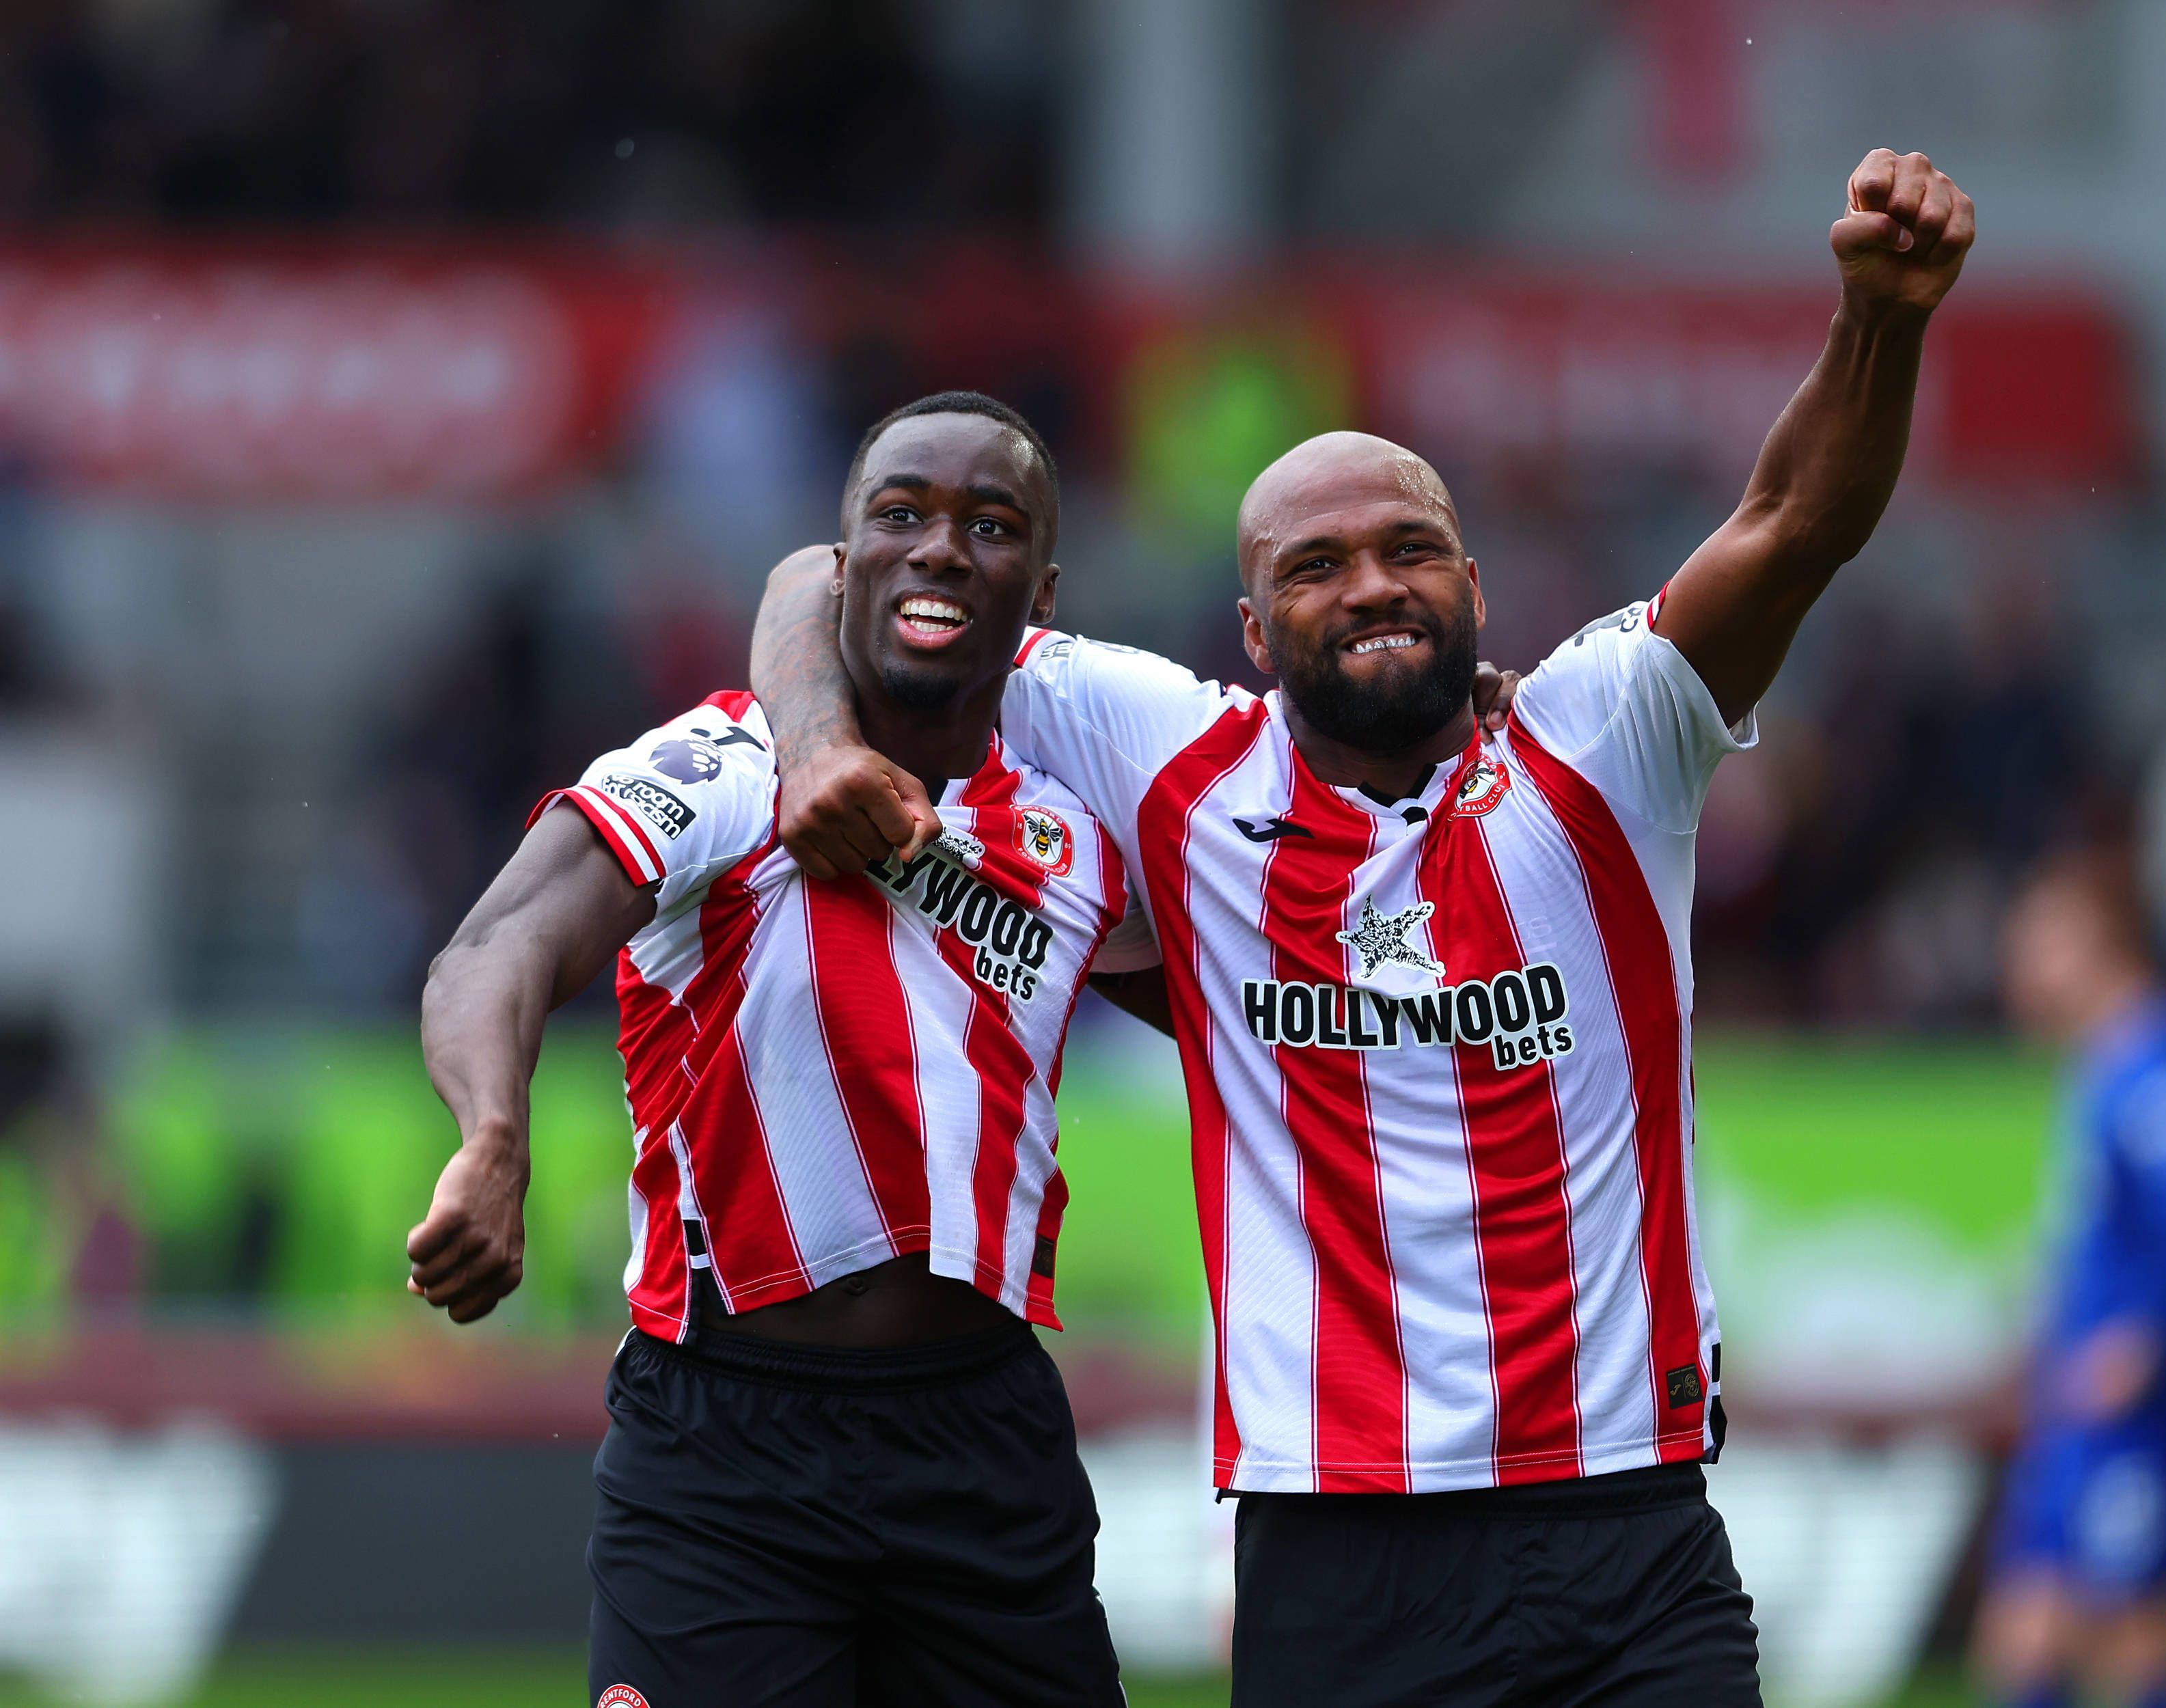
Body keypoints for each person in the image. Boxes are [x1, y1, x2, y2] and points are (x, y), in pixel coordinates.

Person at [755, 148, 1974, 1705]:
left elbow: (1797, 516)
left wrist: (1880, 316)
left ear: (1473, 579)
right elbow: (827, 573)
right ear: (1256, 631)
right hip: (1338, 1552)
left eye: (1406, 548)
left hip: (1627, 1524)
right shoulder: (1168, 762)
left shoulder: (1608, 735)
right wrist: (814, 751)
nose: (1371, 584)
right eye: (1315, 566)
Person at [405, 393, 1165, 1708]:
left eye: (988, 526)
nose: (939, 548)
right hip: (721, 1443)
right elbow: (497, 948)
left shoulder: (1081, 835)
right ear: (842, 564)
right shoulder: (722, 767)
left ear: (1038, 590)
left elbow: (1252, 1013)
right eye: (902, 514)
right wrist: (494, 1136)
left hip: (984, 1442)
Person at [1973, 850, 2166, 1708]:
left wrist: (2134, 1346)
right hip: (2085, 1400)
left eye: (2040, 939)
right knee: (2044, 1629)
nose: (2023, 963)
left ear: (2096, 941)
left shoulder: (2154, 1065)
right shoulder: (2098, 1065)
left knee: (2115, 1632)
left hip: (2132, 1412)